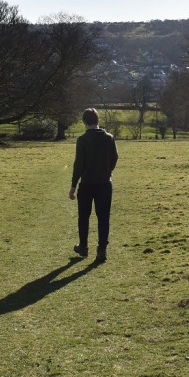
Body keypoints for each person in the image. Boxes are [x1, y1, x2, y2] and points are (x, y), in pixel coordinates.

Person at [68, 108, 119, 263]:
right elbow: (115, 157)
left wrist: (73, 186)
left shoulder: (82, 140)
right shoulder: (109, 138)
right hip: (104, 183)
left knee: (84, 216)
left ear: (84, 122)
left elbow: (78, 164)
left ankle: (83, 247)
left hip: (87, 183)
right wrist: (107, 171)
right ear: (98, 120)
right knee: (103, 217)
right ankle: (101, 250)